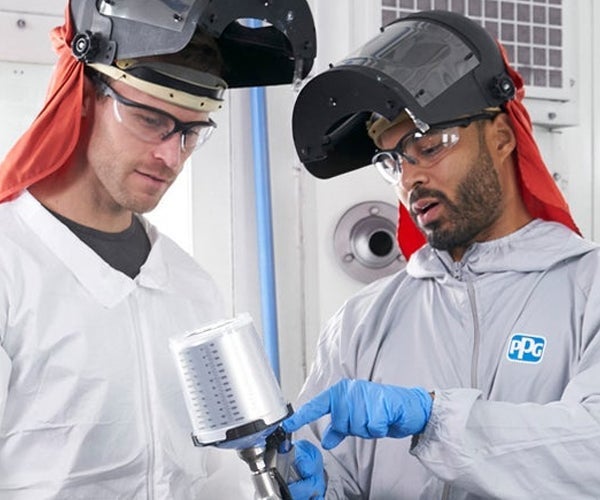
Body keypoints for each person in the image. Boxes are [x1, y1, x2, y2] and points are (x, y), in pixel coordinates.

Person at [0, 0, 316, 498]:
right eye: (150, 119)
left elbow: (218, 475)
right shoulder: (10, 265)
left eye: (192, 131)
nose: (171, 156)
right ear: (85, 96)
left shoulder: (189, 287)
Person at [283, 9, 600, 499]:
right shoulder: (361, 322)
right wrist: (318, 483)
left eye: (428, 146)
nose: (410, 179)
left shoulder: (588, 287)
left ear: (501, 137)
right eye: (393, 161)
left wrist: (436, 420)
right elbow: (333, 467)